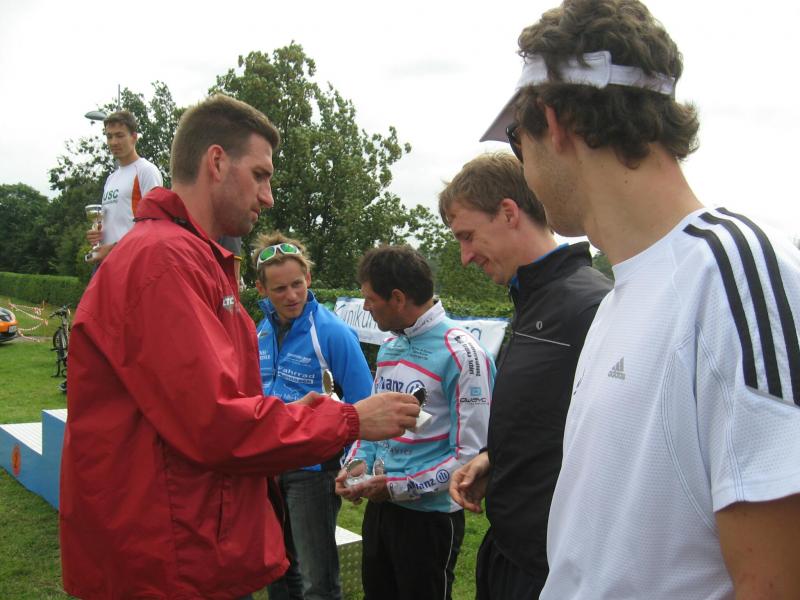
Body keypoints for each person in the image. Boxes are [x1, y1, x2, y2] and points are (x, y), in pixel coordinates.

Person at [482, 1, 800, 597]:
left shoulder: (733, 271)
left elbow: (776, 582)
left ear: (553, 121)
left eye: (517, 142)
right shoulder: (622, 295)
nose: (523, 169)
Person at [60, 94, 420, 600]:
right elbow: (215, 423)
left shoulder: (191, 258)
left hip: (183, 538)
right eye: (260, 175)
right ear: (216, 162)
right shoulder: (164, 262)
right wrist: (348, 420)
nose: (268, 196)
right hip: (166, 557)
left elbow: (210, 405)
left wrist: (298, 414)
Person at [439, 152, 611, 598]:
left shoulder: (590, 306)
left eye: (467, 236)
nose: (465, 257)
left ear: (509, 212)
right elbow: (548, 419)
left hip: (550, 570)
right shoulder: (534, 298)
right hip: (507, 551)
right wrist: (494, 458)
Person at [335, 245, 495, 600]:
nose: (365, 306)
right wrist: (355, 467)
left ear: (397, 298)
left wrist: (397, 487)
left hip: (429, 519)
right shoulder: (391, 344)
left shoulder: (463, 354)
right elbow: (372, 422)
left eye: (370, 298)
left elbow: (469, 457)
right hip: (381, 509)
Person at [253, 231, 374, 600]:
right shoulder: (261, 332)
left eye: (297, 284)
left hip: (313, 470)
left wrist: (351, 464)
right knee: (277, 569)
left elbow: (363, 401)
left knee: (317, 582)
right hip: (269, 465)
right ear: (261, 290)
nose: (291, 295)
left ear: (308, 278)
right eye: (279, 289)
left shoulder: (332, 332)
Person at [86, 110, 162, 263]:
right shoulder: (111, 179)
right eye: (109, 136)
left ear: (134, 137)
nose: (114, 142)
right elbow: (115, 223)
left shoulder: (146, 171)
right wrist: (98, 234)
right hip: (108, 263)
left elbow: (154, 226)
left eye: (120, 136)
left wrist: (113, 249)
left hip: (132, 263)